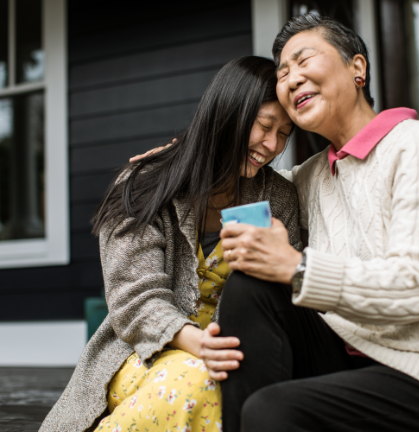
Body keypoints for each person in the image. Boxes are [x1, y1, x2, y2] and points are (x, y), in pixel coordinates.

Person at [214, 15, 419, 432]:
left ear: (357, 68)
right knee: (250, 286)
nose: (292, 79)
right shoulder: (311, 176)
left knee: (273, 409)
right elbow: (235, 182)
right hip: (351, 357)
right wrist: (177, 161)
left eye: (304, 60)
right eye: (283, 73)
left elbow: (417, 284)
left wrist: (296, 268)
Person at [39, 56, 301, 432]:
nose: (272, 144)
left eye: (285, 133)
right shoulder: (145, 184)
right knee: (198, 384)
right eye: (263, 126)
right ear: (227, 113)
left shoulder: (278, 199)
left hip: (233, 358)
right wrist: (197, 343)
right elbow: (135, 298)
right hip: (141, 352)